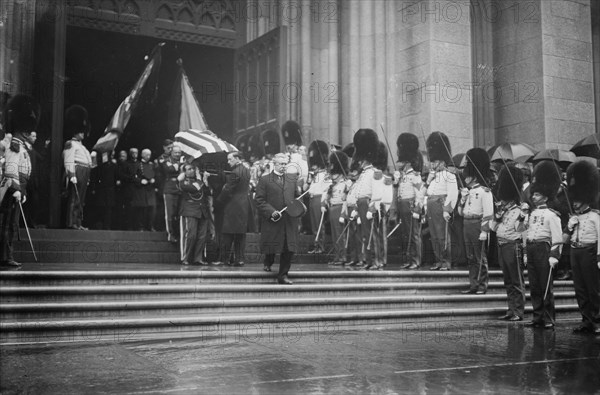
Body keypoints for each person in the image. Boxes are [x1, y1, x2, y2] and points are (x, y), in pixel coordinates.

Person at [517, 161, 563, 329]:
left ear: (544, 196)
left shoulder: (552, 215)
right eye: (534, 195)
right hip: (532, 247)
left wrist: (554, 255)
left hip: (544, 249)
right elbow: (521, 229)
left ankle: (549, 318)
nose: (533, 197)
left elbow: (557, 238)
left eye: (536, 195)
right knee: (535, 286)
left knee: (546, 287)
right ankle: (537, 317)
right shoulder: (531, 213)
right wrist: (522, 216)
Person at [0, 94, 37, 266]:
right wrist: (15, 189)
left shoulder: (20, 145)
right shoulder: (14, 145)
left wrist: (22, 190)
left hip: (18, 187)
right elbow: (11, 169)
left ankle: (7, 255)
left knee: (12, 224)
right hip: (11, 187)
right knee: (9, 224)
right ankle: (5, 256)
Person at [564, 161, 600, 335]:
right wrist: (569, 227)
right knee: (580, 288)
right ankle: (586, 320)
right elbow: (565, 239)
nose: (575, 203)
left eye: (578, 200)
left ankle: (597, 320)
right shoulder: (574, 218)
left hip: (589, 252)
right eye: (574, 200)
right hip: (575, 251)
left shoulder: (595, 216)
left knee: (593, 288)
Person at [255, 153, 301, 284]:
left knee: (288, 247)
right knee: (272, 243)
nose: (284, 166)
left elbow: (297, 197)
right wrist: (271, 211)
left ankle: (283, 275)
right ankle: (268, 261)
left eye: (286, 164)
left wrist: (298, 207)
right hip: (274, 219)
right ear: (274, 164)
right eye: (281, 164)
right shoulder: (264, 180)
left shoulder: (292, 179)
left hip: (289, 220)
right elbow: (259, 200)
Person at [491, 164, 526, 321]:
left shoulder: (519, 211)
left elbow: (521, 230)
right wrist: (497, 218)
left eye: (504, 200)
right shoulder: (503, 212)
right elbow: (494, 228)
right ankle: (511, 310)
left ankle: (518, 311)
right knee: (507, 281)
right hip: (502, 245)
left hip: (513, 246)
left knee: (516, 280)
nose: (502, 202)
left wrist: (522, 216)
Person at [420, 132, 458, 271]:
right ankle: (438, 260)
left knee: (442, 235)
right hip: (431, 205)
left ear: (442, 161)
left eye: (436, 162)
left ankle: (446, 261)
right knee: (434, 235)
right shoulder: (432, 176)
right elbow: (425, 193)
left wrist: (448, 209)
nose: (433, 164)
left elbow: (453, 194)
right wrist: (428, 180)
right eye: (433, 162)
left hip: (441, 205)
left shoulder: (449, 175)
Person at [458, 148, 494, 294]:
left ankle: (482, 284)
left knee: (479, 257)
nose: (465, 177)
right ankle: (473, 284)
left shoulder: (485, 191)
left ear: (473, 176)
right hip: (467, 223)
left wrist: (485, 231)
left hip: (478, 224)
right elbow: (461, 212)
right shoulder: (468, 192)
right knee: (470, 256)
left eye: (468, 175)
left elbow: (488, 213)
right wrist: (463, 199)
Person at [345, 129, 379, 269]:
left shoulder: (375, 173)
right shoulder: (362, 174)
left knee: (371, 234)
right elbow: (358, 192)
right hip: (361, 204)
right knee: (365, 235)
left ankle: (375, 261)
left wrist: (372, 207)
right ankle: (368, 261)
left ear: (365, 160)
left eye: (361, 160)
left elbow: (377, 193)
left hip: (368, 204)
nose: (359, 162)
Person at [390, 133, 423, 269]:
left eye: (403, 163)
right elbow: (398, 192)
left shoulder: (415, 176)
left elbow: (419, 194)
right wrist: (396, 182)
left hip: (410, 205)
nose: (400, 164)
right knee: (405, 234)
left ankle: (416, 260)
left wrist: (417, 209)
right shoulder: (403, 176)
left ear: (408, 163)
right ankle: (409, 259)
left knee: (413, 234)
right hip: (402, 205)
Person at [216, 152, 251, 266]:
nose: (228, 161)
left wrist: (219, 201)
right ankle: (239, 259)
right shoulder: (245, 170)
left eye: (230, 159)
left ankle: (224, 259)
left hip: (233, 205)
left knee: (227, 233)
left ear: (237, 159)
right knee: (240, 234)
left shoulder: (235, 172)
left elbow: (228, 189)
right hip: (243, 205)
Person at [63, 105, 92, 230]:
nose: (83, 134)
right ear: (76, 131)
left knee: (81, 199)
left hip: (84, 171)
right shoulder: (70, 143)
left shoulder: (82, 146)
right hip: (77, 170)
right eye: (81, 131)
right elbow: (68, 160)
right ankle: (71, 222)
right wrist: (72, 175)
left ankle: (78, 222)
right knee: (75, 198)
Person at [177, 163, 212, 265]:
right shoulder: (182, 181)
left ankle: (198, 258)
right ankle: (185, 258)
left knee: (202, 236)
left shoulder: (199, 181)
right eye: (189, 169)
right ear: (184, 172)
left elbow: (208, 192)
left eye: (194, 169)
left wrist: (205, 181)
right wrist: (200, 179)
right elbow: (193, 189)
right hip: (189, 210)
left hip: (202, 211)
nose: (192, 170)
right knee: (190, 235)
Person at [322, 150, 351, 265]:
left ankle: (342, 257)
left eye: (336, 175)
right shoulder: (333, 184)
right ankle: (337, 256)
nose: (334, 177)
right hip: (332, 209)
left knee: (339, 234)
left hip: (340, 209)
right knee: (334, 235)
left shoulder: (346, 182)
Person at [306, 140, 331, 254]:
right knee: (314, 225)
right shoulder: (313, 175)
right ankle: (316, 246)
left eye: (315, 165)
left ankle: (321, 246)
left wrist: (323, 202)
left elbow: (326, 189)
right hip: (312, 199)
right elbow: (307, 188)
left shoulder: (325, 174)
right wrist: (309, 178)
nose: (313, 166)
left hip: (319, 199)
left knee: (320, 224)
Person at [89, 151, 117, 230]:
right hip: (100, 190)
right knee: (100, 207)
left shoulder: (114, 166)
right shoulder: (99, 166)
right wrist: (93, 188)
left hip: (110, 191)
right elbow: (94, 178)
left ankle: (107, 226)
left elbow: (116, 177)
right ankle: (98, 225)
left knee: (108, 209)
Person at [160, 144, 182, 242]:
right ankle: (170, 234)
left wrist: (178, 166)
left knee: (178, 213)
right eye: (175, 152)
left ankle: (177, 233)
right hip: (169, 189)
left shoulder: (183, 161)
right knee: (170, 213)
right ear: (171, 153)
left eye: (179, 153)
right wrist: (179, 166)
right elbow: (169, 169)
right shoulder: (166, 160)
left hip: (180, 189)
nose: (177, 154)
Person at [132, 149, 157, 231]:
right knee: (142, 209)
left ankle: (150, 226)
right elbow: (133, 177)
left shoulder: (151, 164)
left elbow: (155, 174)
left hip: (150, 190)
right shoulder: (137, 164)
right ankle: (141, 227)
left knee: (152, 209)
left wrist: (154, 180)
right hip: (141, 189)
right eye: (146, 154)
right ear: (142, 155)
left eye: (149, 155)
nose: (148, 156)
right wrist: (140, 181)